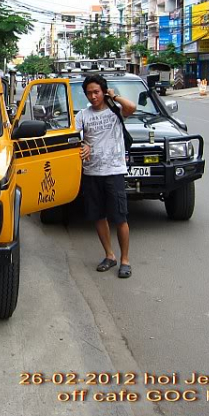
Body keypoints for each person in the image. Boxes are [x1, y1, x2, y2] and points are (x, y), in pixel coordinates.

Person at [75, 74, 136, 279]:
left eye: (96, 92)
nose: (93, 96)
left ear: (103, 92)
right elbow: (76, 138)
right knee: (98, 216)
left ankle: (125, 260)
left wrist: (114, 97)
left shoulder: (114, 111)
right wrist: (82, 145)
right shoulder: (83, 115)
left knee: (120, 218)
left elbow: (132, 108)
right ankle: (109, 256)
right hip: (92, 173)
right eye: (89, 93)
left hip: (114, 172)